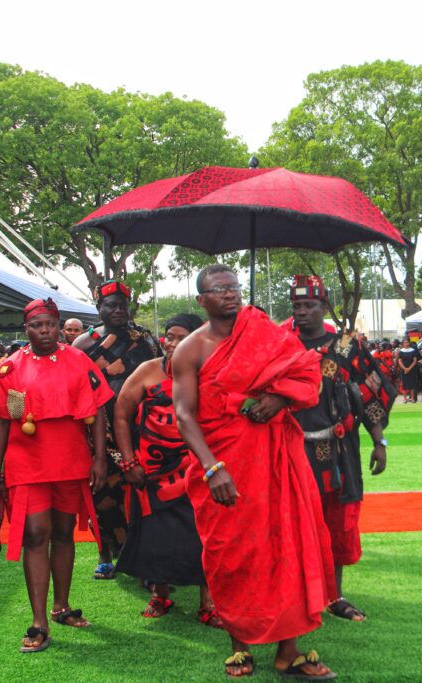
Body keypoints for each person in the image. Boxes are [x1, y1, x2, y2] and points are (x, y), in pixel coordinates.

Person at [171, 264, 337, 679]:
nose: (229, 294)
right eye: (217, 289)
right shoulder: (190, 349)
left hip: (273, 456)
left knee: (286, 544)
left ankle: (289, 651)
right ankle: (239, 647)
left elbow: (305, 372)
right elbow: (183, 415)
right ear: (201, 300)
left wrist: (279, 402)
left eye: (233, 287)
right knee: (231, 554)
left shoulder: (265, 331)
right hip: (223, 463)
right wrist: (213, 470)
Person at [0, 298, 113, 654]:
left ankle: (62, 607)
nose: (45, 331)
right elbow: (0, 423)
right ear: (26, 329)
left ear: (59, 326)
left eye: (51, 325)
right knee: (36, 535)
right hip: (27, 464)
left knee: (65, 532)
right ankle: (38, 622)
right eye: (37, 326)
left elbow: (98, 411)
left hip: (70, 460)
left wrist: (100, 459)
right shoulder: (9, 369)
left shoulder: (78, 359)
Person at [287, 275, 395, 622]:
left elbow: (371, 392)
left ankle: (334, 595)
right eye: (297, 306)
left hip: (338, 450)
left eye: (310, 306)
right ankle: (296, 593)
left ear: (324, 306)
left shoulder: (348, 346)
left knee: (336, 521)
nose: (302, 312)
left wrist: (379, 442)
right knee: (291, 522)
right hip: (289, 449)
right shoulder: (280, 344)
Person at [113, 313, 224, 629]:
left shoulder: (209, 373)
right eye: (169, 336)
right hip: (151, 470)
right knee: (155, 536)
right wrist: (129, 461)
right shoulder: (147, 371)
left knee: (203, 534)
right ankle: (160, 594)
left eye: (180, 337)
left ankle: (209, 603)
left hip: (197, 467)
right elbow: (121, 415)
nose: (172, 343)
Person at [73, 279, 160, 580]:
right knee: (103, 495)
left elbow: (159, 377)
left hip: (141, 428)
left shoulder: (145, 339)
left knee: (141, 494)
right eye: (111, 305)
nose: (118, 310)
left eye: (123, 305)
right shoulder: (83, 344)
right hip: (99, 430)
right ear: (99, 308)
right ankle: (105, 553)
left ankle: (145, 559)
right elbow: (78, 391)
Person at [397, 338, 420, 403]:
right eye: (405, 342)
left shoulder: (413, 350)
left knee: (412, 384)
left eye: (407, 342)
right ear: (403, 343)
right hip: (403, 370)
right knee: (404, 384)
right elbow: (399, 361)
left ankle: (412, 398)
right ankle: (405, 398)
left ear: (409, 343)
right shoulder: (401, 351)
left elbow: (415, 360)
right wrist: (404, 368)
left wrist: (409, 368)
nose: (406, 344)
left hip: (412, 369)